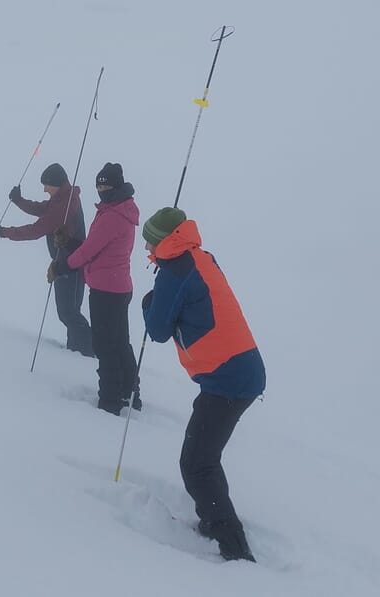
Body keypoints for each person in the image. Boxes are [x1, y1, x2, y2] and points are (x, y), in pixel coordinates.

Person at [139, 206, 266, 563]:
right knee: (203, 458)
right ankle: (215, 522)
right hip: (240, 368)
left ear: (162, 241)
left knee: (197, 463)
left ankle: (235, 550)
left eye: (149, 243)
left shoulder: (173, 272)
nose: (146, 251)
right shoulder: (200, 256)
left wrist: (149, 302)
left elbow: (158, 330)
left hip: (228, 378)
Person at [48, 163, 140, 415]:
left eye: (106, 186)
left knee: (105, 345)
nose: (101, 190)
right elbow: (94, 244)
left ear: (116, 186)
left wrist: (63, 265)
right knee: (119, 341)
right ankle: (130, 392)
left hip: (106, 289)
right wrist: (70, 243)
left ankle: (110, 400)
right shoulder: (118, 209)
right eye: (98, 186)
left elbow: (90, 251)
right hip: (117, 286)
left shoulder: (113, 215)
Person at [0, 163, 93, 356]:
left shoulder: (64, 205)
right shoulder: (63, 198)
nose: (44, 189)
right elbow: (41, 209)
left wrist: (4, 232)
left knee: (68, 312)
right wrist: (18, 200)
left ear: (56, 184)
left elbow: (35, 230)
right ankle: (76, 351)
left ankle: (88, 353)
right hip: (67, 263)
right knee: (69, 311)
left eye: (47, 185)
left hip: (70, 265)